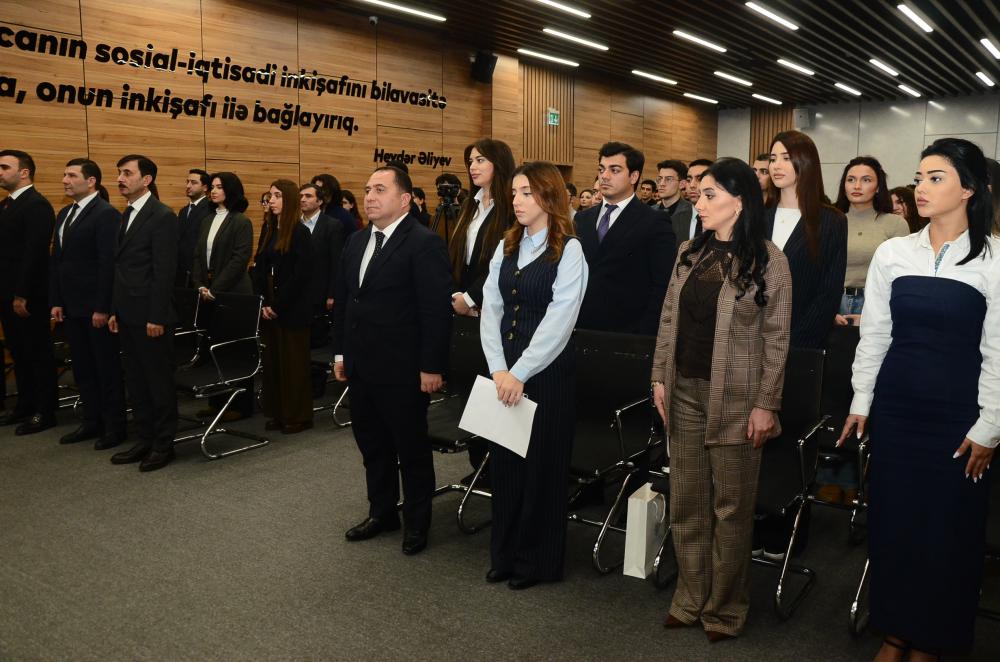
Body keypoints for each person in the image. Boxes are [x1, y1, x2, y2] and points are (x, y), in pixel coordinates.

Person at [839, 138, 998, 662]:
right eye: (919, 177)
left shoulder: (994, 259)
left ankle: (932, 639)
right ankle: (895, 632)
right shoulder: (894, 252)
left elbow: (999, 351)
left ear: (969, 189)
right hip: (899, 408)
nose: (921, 188)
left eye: (936, 178)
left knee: (949, 530)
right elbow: (875, 335)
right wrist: (861, 400)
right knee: (894, 523)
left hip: (960, 415)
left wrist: (990, 426)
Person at [652, 157, 792, 641]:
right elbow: (668, 318)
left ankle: (726, 609)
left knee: (731, 509)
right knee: (687, 502)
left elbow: (777, 339)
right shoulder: (689, 251)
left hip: (737, 401)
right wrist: (659, 378)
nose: (700, 201)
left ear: (740, 201)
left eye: (710, 194)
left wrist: (766, 403)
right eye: (700, 193)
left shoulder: (769, 260)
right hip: (684, 392)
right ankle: (690, 598)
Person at [479, 160, 588, 589]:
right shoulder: (507, 244)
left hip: (547, 375)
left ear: (549, 195)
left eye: (527, 193)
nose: (518, 201)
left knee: (542, 471)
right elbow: (491, 308)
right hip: (504, 373)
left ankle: (535, 562)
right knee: (505, 468)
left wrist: (520, 371)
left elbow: (560, 321)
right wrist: (498, 368)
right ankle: (504, 555)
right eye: (515, 193)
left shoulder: (570, 250)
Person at [332, 166, 452, 556]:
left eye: (380, 190)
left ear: (404, 199)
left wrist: (431, 365)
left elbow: (435, 311)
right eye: (367, 189)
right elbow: (346, 302)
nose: (369, 196)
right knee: (373, 445)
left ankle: (417, 522)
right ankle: (382, 512)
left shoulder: (424, 242)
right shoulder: (356, 240)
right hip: (361, 365)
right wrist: (340, 353)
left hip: (404, 368)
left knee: (410, 449)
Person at [108, 154, 179, 472]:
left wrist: (157, 316)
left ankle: (163, 444)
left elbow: (164, 271)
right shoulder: (127, 213)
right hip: (127, 312)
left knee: (157, 382)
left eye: (127, 173)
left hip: (151, 316)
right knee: (136, 382)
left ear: (147, 179)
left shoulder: (162, 215)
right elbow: (121, 268)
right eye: (119, 173)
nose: (120, 178)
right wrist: (115, 309)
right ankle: (145, 438)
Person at [50, 158, 126, 450]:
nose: (65, 180)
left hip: (95, 308)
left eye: (71, 175)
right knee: (82, 367)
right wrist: (56, 300)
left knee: (105, 368)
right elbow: (58, 261)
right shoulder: (65, 213)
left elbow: (108, 265)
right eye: (64, 175)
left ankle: (114, 426)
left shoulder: (105, 214)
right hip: (71, 306)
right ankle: (92, 420)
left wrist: (103, 307)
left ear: (91, 181)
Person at [575, 142, 675, 335]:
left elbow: (662, 285)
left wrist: (644, 333)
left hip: (627, 334)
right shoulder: (581, 219)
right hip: (580, 328)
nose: (604, 176)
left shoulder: (654, 221)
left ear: (634, 176)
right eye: (601, 169)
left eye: (615, 170)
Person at [765, 131, 847, 349]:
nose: (776, 165)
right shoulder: (758, 215)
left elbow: (829, 290)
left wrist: (798, 341)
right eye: (773, 159)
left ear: (806, 162)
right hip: (752, 339)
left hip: (802, 340)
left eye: (786, 158)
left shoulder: (831, 221)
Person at [0, 149, 57, 435]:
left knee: (37, 352)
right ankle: (25, 404)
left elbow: (34, 254)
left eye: (4, 167)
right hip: (7, 292)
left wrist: (21, 294)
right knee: (19, 351)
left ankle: (44, 411)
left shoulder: (36, 205)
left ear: (24, 172)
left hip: (28, 294)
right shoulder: (5, 204)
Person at [191, 171, 255, 421]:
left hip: (233, 294)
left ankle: (240, 405)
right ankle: (216, 401)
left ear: (231, 190)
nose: (213, 191)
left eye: (219, 187)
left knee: (235, 351)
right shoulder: (207, 220)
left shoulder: (241, 221)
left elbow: (239, 259)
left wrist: (215, 288)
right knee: (213, 349)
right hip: (208, 292)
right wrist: (199, 285)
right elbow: (198, 255)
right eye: (212, 187)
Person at [253, 179, 314, 434]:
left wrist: (278, 305)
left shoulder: (300, 232)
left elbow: (301, 276)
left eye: (277, 195)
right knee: (273, 363)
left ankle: (297, 415)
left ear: (288, 200)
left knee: (293, 365)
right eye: (271, 195)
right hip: (269, 306)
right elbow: (259, 266)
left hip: (291, 309)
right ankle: (277, 412)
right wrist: (263, 302)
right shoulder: (269, 229)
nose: (272, 200)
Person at [833, 157, 910, 326]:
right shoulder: (829, 221)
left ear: (878, 187)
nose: (857, 186)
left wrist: (876, 315)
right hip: (833, 302)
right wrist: (826, 310)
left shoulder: (895, 223)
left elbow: (901, 277)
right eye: (851, 180)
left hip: (876, 303)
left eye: (866, 180)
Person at [449, 138, 516, 318]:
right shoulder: (468, 205)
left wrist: (471, 298)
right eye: (470, 161)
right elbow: (455, 256)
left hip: (494, 306)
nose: (472, 167)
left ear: (499, 163)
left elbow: (506, 262)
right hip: (459, 301)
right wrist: (457, 296)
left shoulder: (512, 209)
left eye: (480, 160)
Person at [299, 182, 344, 346]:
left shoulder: (332, 225)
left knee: (317, 343)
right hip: (297, 293)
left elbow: (337, 262)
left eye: (308, 196)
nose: (303, 199)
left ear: (319, 201)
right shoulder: (294, 224)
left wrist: (332, 294)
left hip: (320, 292)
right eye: (300, 196)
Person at [176, 169, 211, 287]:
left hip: (199, 274)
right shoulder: (183, 211)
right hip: (181, 273)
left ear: (205, 188)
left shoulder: (210, 210)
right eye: (187, 182)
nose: (188, 186)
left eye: (194, 182)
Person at [655, 159, 697, 249]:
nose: (661, 184)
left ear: (682, 184)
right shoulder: (649, 211)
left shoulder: (692, 213)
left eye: (668, 179)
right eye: (659, 179)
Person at [311, 173, 358, 239]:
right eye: (317, 189)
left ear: (332, 191)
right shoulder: (314, 213)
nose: (320, 193)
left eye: (323, 189)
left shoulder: (343, 217)